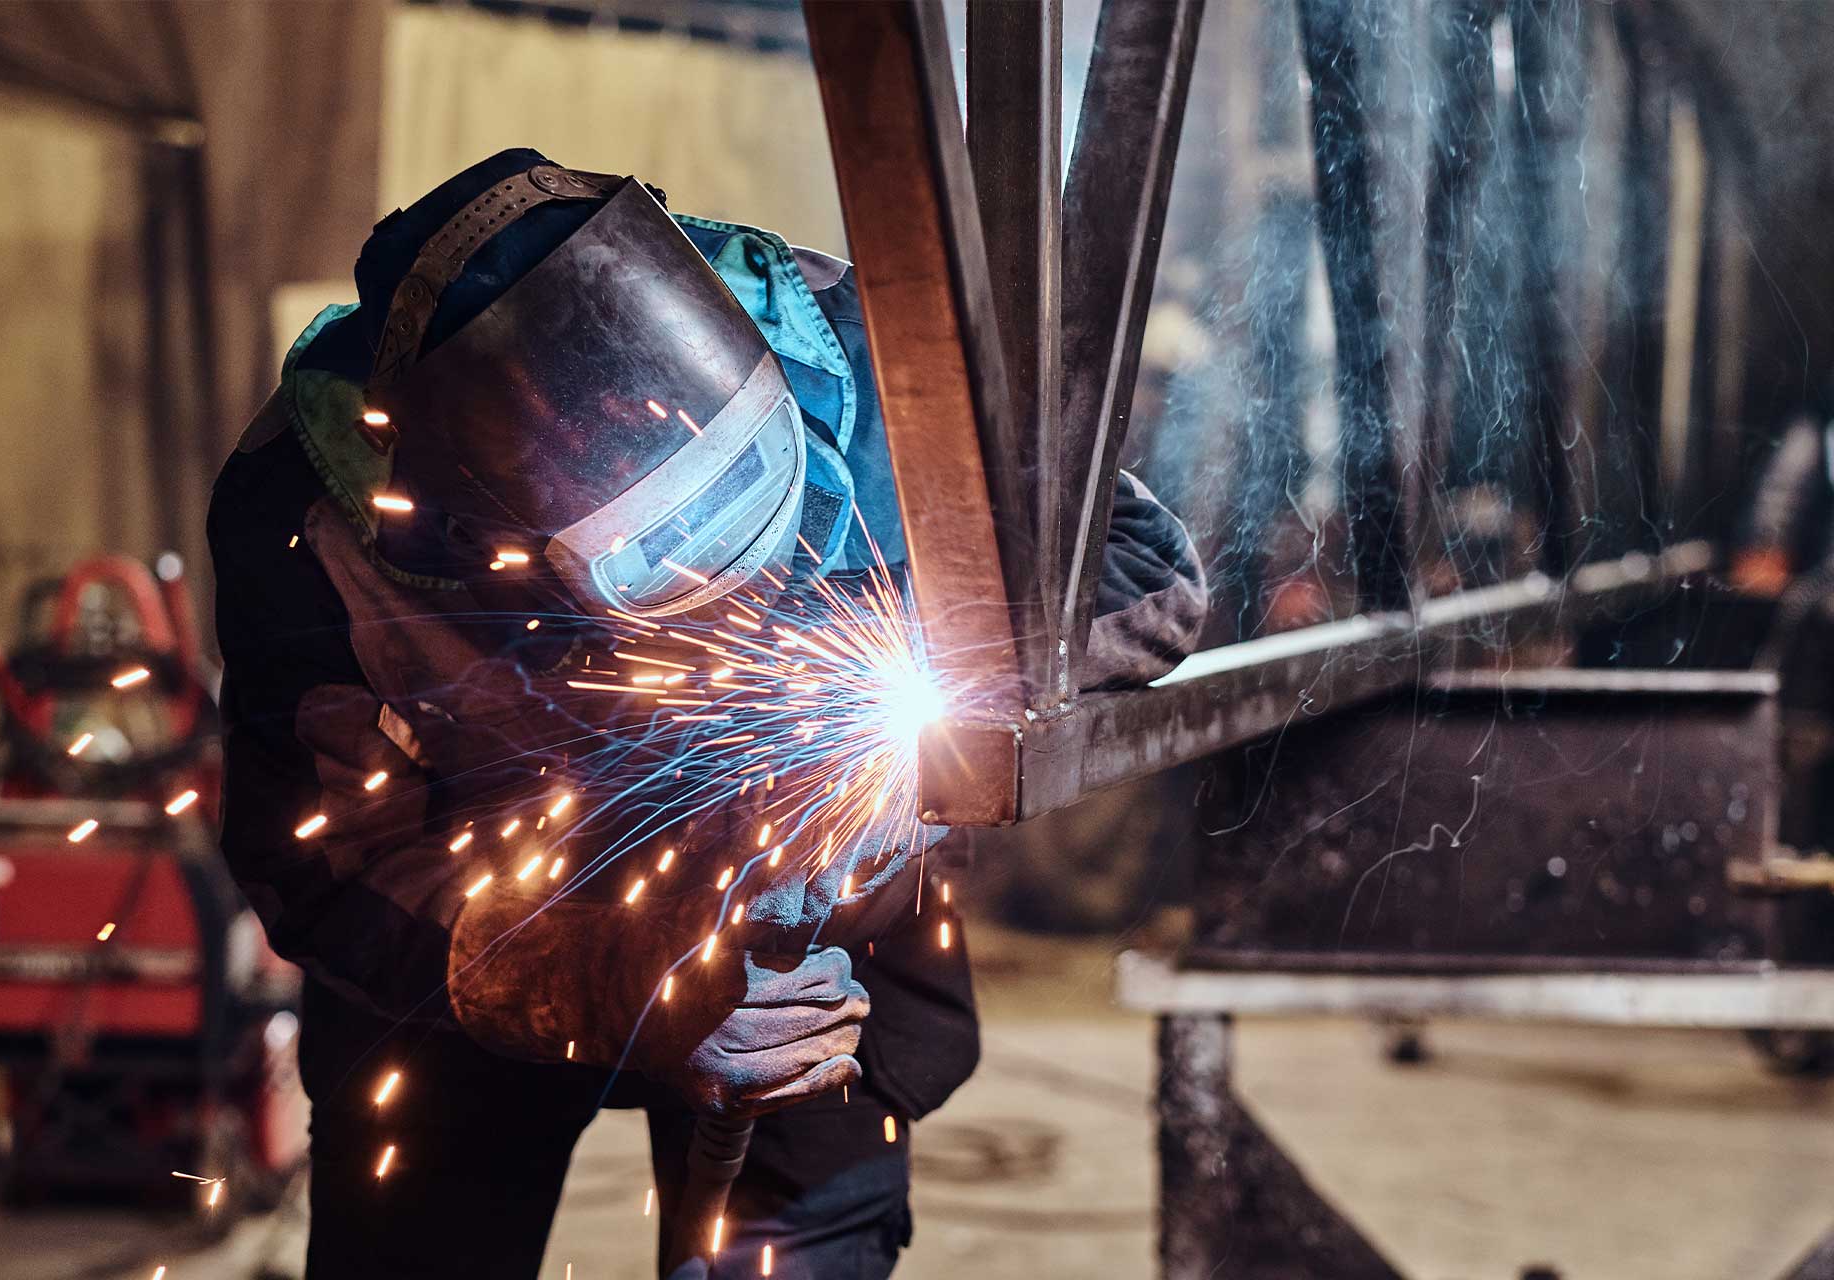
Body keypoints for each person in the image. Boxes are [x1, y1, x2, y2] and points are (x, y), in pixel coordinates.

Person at [209, 149, 1208, 1279]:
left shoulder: (873, 355)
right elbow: (326, 864)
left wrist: (899, 695)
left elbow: (1141, 571)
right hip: (491, 926)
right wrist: (622, 983)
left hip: (814, 953)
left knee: (794, 1247)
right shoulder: (308, 505)